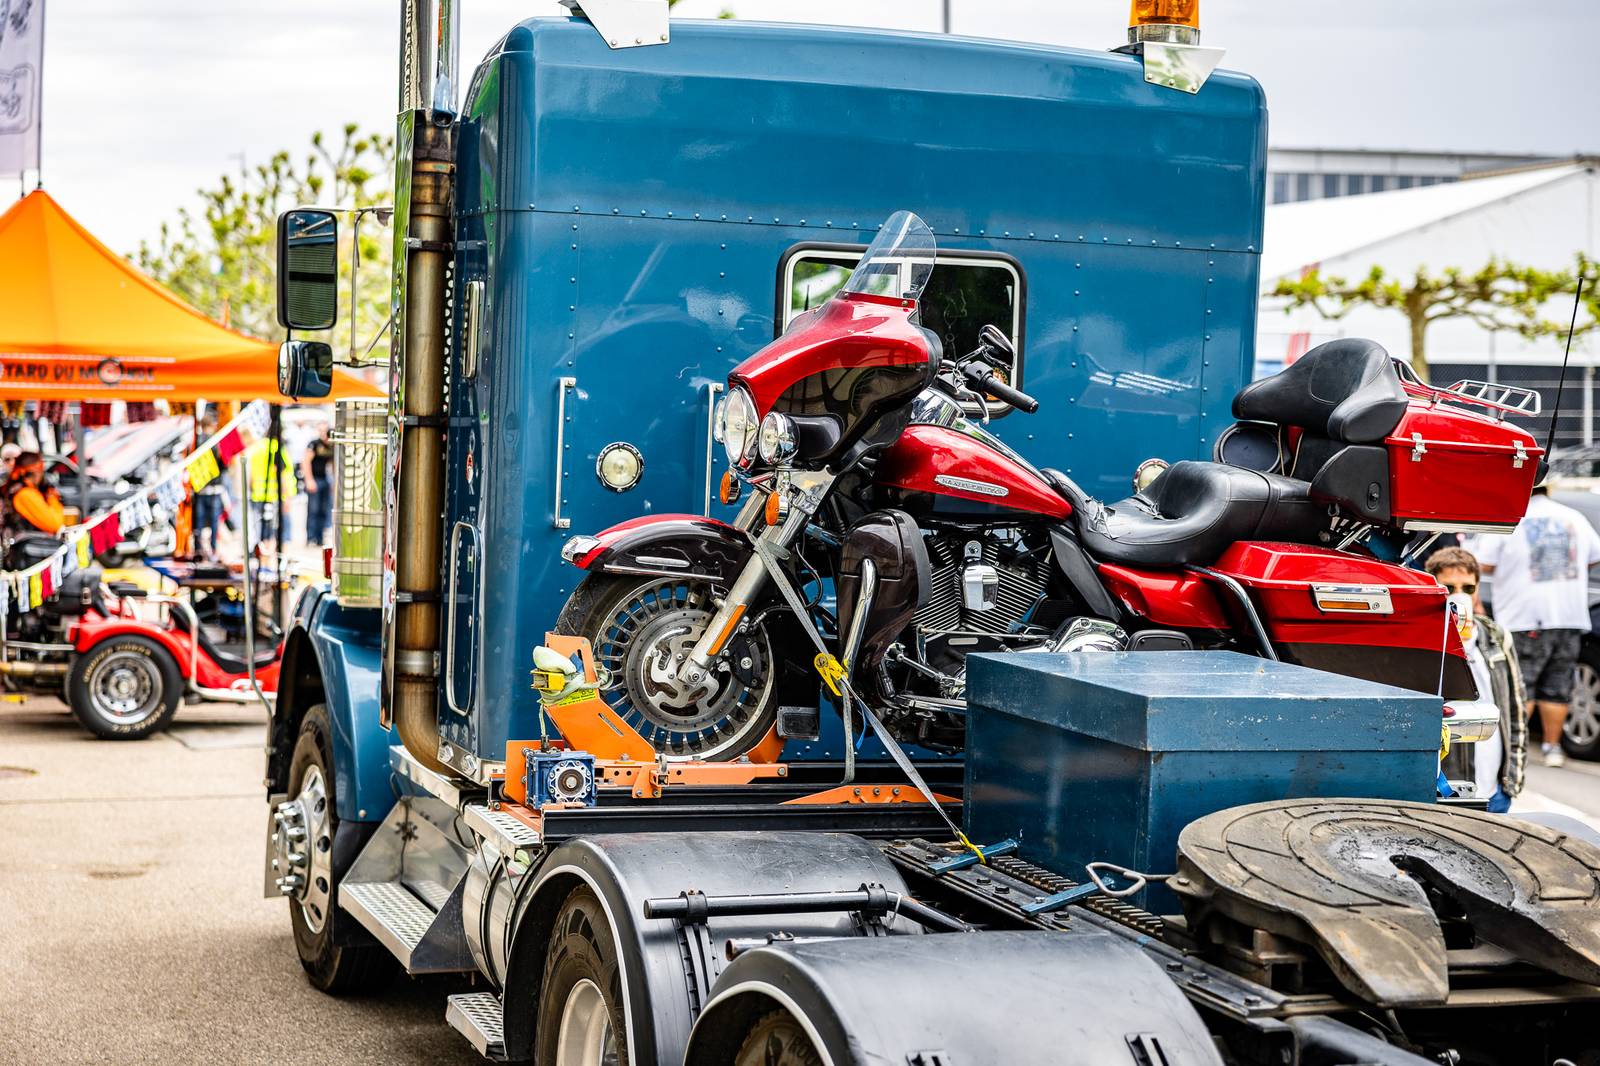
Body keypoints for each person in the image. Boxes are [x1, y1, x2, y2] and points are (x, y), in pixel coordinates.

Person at [1475, 484, 1600, 768]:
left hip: (1524, 617)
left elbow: (1482, 563)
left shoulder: (1510, 518)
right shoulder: (1574, 518)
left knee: (1522, 684)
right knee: (1558, 685)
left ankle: (1515, 747)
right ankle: (1552, 748)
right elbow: (1594, 556)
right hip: (1569, 616)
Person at [1426, 546, 1527, 811]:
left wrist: (1513, 780)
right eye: (1449, 588)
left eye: (1468, 588)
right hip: (1450, 792)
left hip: (1496, 791)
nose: (1459, 595)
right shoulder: (1425, 639)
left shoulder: (1496, 636)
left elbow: (1516, 708)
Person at [192, 412, 229, 561]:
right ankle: (213, 550)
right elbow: (224, 465)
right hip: (214, 488)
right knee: (214, 523)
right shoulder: (216, 441)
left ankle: (198, 550)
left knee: (199, 523)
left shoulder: (196, 442)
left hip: (200, 488)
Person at [246, 438, 297, 548]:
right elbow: (281, 474)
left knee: (262, 532)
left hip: (257, 495)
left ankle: (263, 557)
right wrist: (286, 497)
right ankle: (276, 556)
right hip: (274, 497)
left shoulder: (256, 448)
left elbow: (250, 474)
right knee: (278, 533)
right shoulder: (275, 448)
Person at [2, 451, 66, 535]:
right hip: (30, 541)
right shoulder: (25, 494)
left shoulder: (18, 489)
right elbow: (55, 525)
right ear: (37, 471)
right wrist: (52, 498)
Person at [301, 422, 335, 547]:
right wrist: (309, 480)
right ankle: (311, 538)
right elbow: (305, 462)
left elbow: (333, 463)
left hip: (325, 479)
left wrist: (333, 481)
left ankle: (319, 538)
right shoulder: (314, 444)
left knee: (324, 510)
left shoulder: (331, 445)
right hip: (314, 478)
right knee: (313, 510)